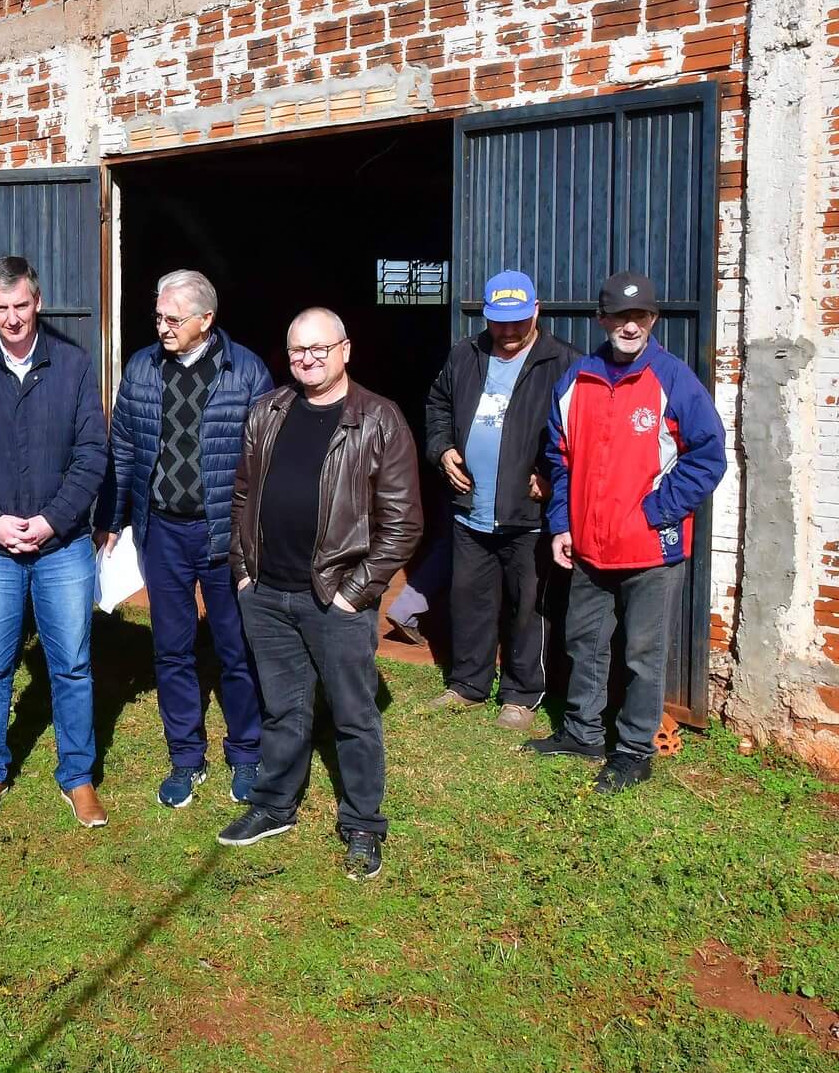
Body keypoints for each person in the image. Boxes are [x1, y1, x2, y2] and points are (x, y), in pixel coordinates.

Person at [219, 309, 421, 882]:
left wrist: (354, 594)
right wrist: (242, 572)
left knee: (354, 715)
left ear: (345, 350)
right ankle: (276, 804)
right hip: (267, 594)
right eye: (296, 351)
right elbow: (241, 496)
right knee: (282, 709)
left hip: (335, 598)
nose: (307, 359)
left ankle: (362, 823)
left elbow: (403, 524)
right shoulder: (269, 412)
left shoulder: (378, 419)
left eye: (319, 348)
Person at [529, 271, 726, 793]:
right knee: (584, 643)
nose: (630, 325)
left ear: (653, 320)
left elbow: (707, 457)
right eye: (620, 315)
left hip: (651, 549)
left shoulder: (674, 379)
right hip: (590, 545)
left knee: (642, 655)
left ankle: (635, 750)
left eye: (639, 316)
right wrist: (561, 525)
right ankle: (581, 732)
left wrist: (656, 511)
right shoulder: (578, 379)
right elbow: (561, 459)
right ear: (603, 320)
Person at [0, 257, 111, 827]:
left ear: (38, 303)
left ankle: (78, 777)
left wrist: (53, 520)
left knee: (73, 666)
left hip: (61, 547)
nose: (11, 319)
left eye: (20, 306)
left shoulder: (75, 366)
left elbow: (92, 455)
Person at [96, 269, 275, 811]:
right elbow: (123, 445)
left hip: (224, 534)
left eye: (174, 319)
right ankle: (185, 757)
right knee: (171, 648)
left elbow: (264, 459)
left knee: (235, 647)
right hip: (163, 533)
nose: (163, 326)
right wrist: (113, 515)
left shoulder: (246, 372)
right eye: (158, 317)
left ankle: (246, 753)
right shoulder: (143, 368)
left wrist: (259, 532)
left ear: (206, 320)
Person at [420, 270, 580, 730]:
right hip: (472, 508)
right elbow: (438, 406)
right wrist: (442, 448)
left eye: (517, 321)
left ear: (536, 310)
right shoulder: (465, 354)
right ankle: (468, 684)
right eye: (498, 322)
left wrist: (552, 476)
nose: (507, 332)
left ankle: (521, 692)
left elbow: (583, 433)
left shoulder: (564, 361)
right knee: (469, 598)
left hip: (527, 514)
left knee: (527, 604)